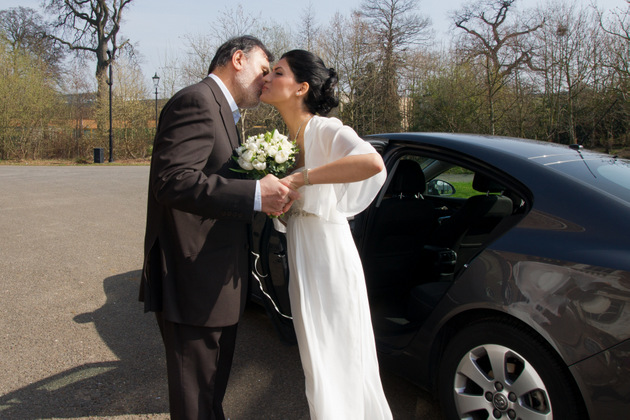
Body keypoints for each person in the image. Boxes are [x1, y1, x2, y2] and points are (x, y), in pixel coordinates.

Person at [139, 36, 298, 420]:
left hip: (214, 283)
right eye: (263, 71)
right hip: (192, 279)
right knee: (195, 401)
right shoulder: (195, 101)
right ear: (237, 59)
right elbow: (172, 182)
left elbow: (212, 187)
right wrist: (254, 195)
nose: (266, 81)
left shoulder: (227, 115)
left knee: (210, 396)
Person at [260, 49, 393, 419]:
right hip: (302, 249)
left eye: (278, 72)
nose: (267, 78)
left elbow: (371, 162)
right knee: (317, 360)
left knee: (340, 355)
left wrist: (301, 176)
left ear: (301, 87)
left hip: (330, 255)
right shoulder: (283, 141)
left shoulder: (324, 128)